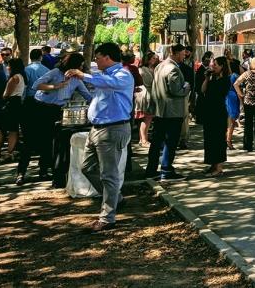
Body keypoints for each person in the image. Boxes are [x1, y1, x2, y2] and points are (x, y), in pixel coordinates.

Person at [63, 42, 134, 232]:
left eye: (97, 58)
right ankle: (115, 198)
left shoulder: (123, 75)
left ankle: (107, 218)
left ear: (107, 58)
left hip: (112, 129)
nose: (95, 61)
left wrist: (83, 75)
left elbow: (109, 84)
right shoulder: (104, 76)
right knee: (87, 167)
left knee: (108, 175)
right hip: (97, 129)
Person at [16, 53, 93, 186]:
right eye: (80, 65)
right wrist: (54, 87)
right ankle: (21, 173)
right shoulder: (55, 72)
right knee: (30, 141)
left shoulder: (77, 80)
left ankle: (44, 170)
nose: (81, 67)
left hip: (55, 110)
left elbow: (87, 95)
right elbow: (36, 85)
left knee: (49, 141)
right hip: (38, 108)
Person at [145, 43, 191, 181]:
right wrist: (186, 88)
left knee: (156, 141)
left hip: (160, 110)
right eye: (183, 55)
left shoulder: (160, 66)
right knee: (171, 141)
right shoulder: (173, 69)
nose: (184, 57)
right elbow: (176, 90)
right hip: (172, 111)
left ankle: (151, 169)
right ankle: (166, 170)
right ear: (177, 54)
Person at [201, 56, 230, 177]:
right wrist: (207, 79)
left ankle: (219, 167)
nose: (214, 66)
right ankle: (212, 163)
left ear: (222, 66)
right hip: (209, 111)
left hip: (218, 112)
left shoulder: (225, 80)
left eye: (216, 64)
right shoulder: (212, 78)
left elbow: (219, 94)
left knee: (217, 138)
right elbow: (203, 90)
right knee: (209, 138)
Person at [0, 58, 26, 162]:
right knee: (11, 128)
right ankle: (9, 151)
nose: (7, 67)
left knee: (10, 129)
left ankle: (9, 152)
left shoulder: (14, 78)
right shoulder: (21, 76)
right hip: (16, 102)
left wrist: (2, 99)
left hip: (11, 103)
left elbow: (7, 93)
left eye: (9, 66)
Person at [134, 52, 158, 146]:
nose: (154, 60)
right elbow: (149, 82)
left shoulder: (151, 68)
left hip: (150, 94)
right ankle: (143, 139)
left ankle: (143, 138)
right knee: (146, 118)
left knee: (148, 119)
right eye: (152, 58)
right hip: (145, 94)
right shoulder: (143, 69)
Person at [179, 47, 196, 147]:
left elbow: (189, 82)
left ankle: (183, 138)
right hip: (183, 93)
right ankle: (183, 138)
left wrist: (187, 91)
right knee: (184, 117)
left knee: (184, 116)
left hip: (183, 94)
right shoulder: (185, 68)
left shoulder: (187, 68)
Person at [226, 59, 242, 149]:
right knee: (231, 120)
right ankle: (228, 140)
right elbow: (239, 89)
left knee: (228, 119)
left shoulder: (228, 75)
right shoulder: (236, 76)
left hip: (227, 96)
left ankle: (226, 139)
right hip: (233, 97)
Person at [193, 51, 213, 126]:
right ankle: (199, 119)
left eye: (208, 61)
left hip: (207, 90)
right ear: (203, 61)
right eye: (206, 61)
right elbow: (198, 81)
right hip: (200, 89)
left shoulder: (210, 69)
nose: (207, 62)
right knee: (200, 104)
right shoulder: (200, 70)